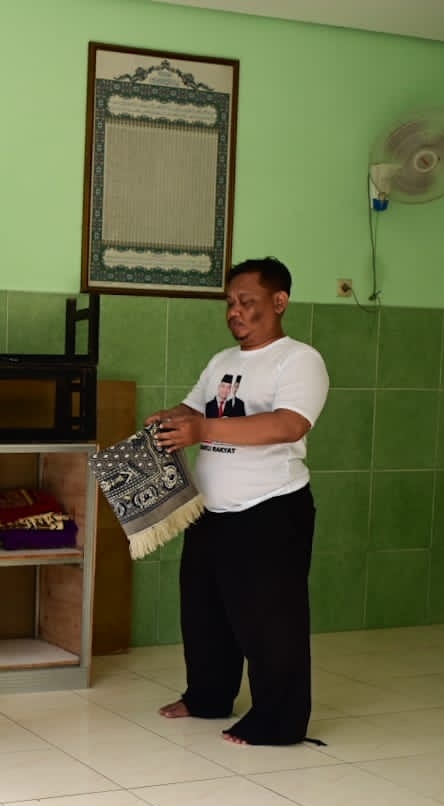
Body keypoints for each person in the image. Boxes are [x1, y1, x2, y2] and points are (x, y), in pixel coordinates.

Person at [148, 256, 329, 746]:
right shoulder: (221, 362)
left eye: (246, 301)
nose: (234, 311)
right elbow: (193, 407)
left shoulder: (299, 359)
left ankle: (278, 720)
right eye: (230, 302)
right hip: (211, 511)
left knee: (271, 621)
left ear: (279, 302)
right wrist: (170, 419)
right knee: (205, 612)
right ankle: (207, 696)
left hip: (271, 509)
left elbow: (289, 424)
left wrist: (202, 428)